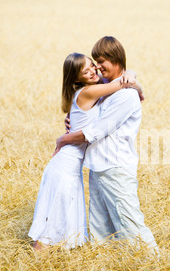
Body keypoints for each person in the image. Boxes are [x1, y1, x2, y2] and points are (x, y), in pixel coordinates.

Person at [55, 36, 160, 255]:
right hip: (98, 168)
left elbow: (95, 132)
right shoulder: (105, 87)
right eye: (95, 61)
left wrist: (64, 139)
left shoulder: (126, 96)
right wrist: (72, 120)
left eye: (101, 61)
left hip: (115, 168)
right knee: (101, 230)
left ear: (116, 59)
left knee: (130, 223)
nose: (97, 66)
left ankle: (155, 265)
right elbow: (86, 111)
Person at [28, 52, 143, 251]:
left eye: (92, 65)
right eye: (85, 70)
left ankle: (39, 267)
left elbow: (124, 85)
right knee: (52, 224)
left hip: (70, 167)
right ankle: (32, 268)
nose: (92, 71)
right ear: (76, 78)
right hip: (66, 167)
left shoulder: (89, 93)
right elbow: (123, 83)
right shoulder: (89, 92)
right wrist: (130, 74)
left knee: (56, 221)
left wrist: (130, 74)